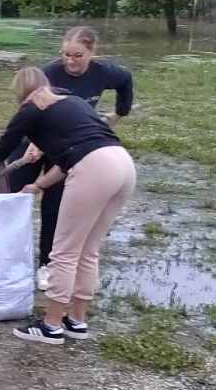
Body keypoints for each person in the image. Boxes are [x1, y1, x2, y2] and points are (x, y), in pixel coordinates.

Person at [0, 66, 136, 344]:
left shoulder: (30, 109)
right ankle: (77, 321)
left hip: (94, 168)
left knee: (64, 252)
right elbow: (72, 156)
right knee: (88, 250)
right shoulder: (74, 103)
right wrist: (40, 185)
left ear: (20, 93)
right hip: (123, 165)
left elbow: (3, 147)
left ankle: (51, 325)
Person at [7, 26, 134, 290]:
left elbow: (125, 81)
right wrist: (34, 142)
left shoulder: (105, 73)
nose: (71, 61)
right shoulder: (49, 73)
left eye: (78, 55)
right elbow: (30, 110)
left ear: (92, 52)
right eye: (66, 54)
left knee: (55, 205)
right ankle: (10, 260)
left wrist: (118, 115)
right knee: (14, 193)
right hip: (34, 139)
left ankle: (46, 265)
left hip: (69, 147)